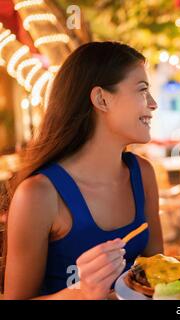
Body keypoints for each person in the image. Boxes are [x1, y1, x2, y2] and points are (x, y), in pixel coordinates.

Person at [2, 41, 163, 299]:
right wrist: (82, 292)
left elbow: (160, 275)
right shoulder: (39, 195)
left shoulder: (142, 174)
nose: (153, 104)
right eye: (142, 90)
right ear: (101, 99)